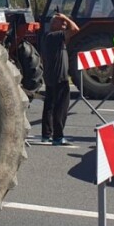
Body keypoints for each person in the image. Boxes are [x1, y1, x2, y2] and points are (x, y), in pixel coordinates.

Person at [40, 12, 80, 146]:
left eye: (65, 23)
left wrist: (64, 19)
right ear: (53, 24)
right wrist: (66, 17)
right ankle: (58, 136)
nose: (65, 25)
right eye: (61, 22)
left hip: (53, 76)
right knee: (60, 107)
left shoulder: (52, 37)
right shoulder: (54, 36)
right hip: (59, 77)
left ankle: (47, 134)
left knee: (50, 106)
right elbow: (75, 29)